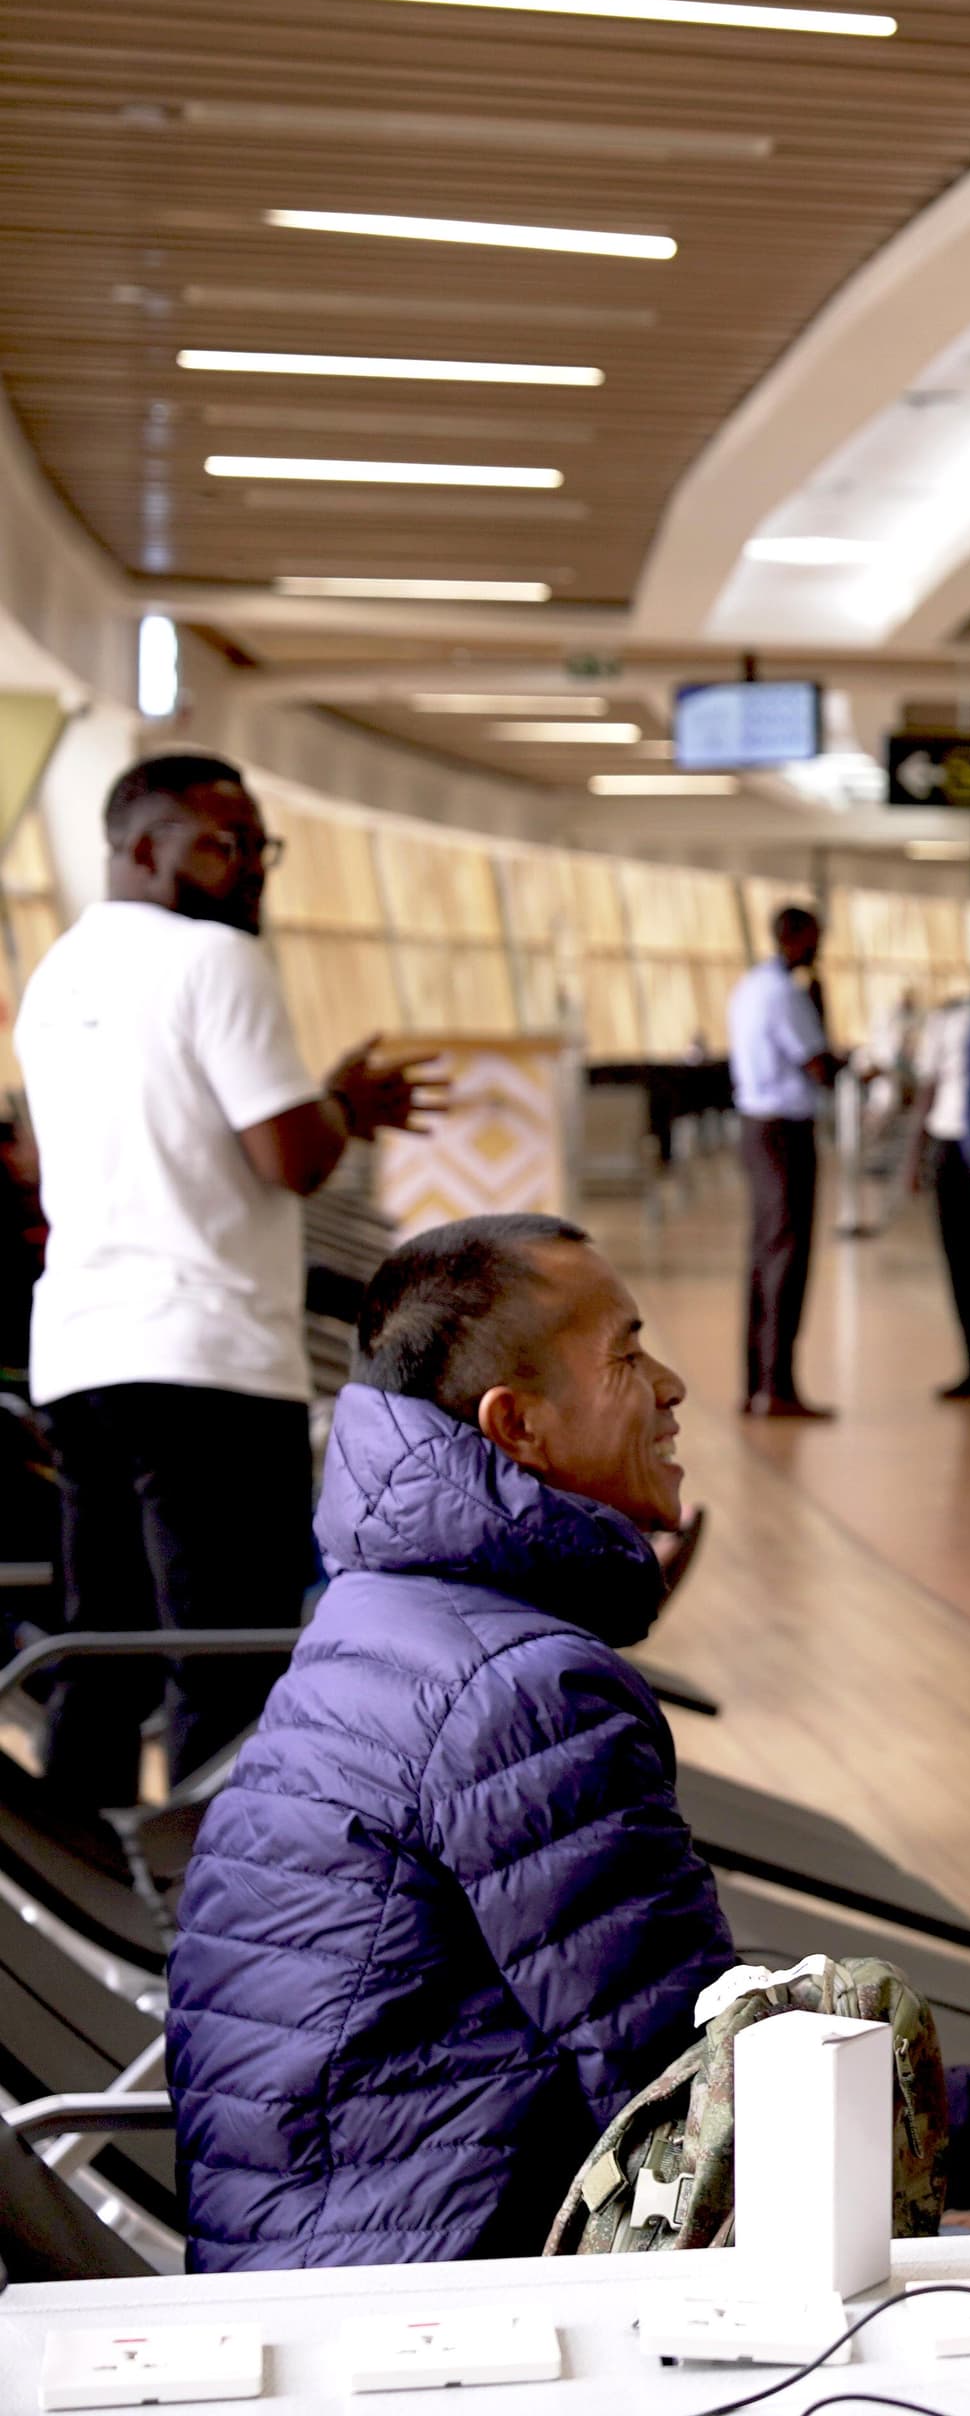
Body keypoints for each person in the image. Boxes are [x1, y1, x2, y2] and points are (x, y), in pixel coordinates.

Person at [166, 1213, 970, 2271]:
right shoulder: (522, 1694)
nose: (673, 1386)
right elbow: (688, 2080)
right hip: (429, 2296)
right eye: (628, 1356)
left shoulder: (385, 1610)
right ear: (516, 1425)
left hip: (333, 2241)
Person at [13, 752, 440, 1808]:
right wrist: (345, 1102)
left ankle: (76, 1904)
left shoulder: (54, 973)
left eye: (259, 844)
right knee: (227, 1664)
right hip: (209, 1365)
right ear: (141, 845)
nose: (249, 865)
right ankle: (220, 1930)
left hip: (79, 1355)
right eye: (222, 842)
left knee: (100, 1653)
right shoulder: (219, 962)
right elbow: (288, 1157)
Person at [726, 904, 837, 1420]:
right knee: (786, 1256)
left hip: (756, 1126)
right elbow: (819, 1065)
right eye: (816, 938)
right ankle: (777, 1387)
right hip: (784, 1133)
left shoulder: (750, 987)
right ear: (795, 938)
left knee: (765, 1252)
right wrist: (825, 1011)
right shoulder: (786, 994)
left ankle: (757, 1382)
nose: (820, 948)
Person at [914, 978, 970, 1403]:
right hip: (954, 1146)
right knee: (963, 1263)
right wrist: (916, 1157)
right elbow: (929, 1089)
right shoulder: (948, 1022)